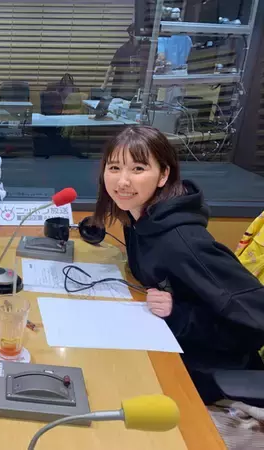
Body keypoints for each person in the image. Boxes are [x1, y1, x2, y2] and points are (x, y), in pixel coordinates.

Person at [92, 126, 264, 405]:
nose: (122, 181)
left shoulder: (182, 243)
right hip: (167, 341)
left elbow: (254, 323)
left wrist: (178, 313)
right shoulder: (137, 217)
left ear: (163, 175)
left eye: (138, 169)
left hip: (211, 370)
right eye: (114, 168)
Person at [101, 23, 147, 101]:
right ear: (131, 33)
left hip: (136, 91)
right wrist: (104, 85)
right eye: (139, 31)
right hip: (121, 92)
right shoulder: (122, 50)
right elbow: (110, 68)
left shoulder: (143, 48)